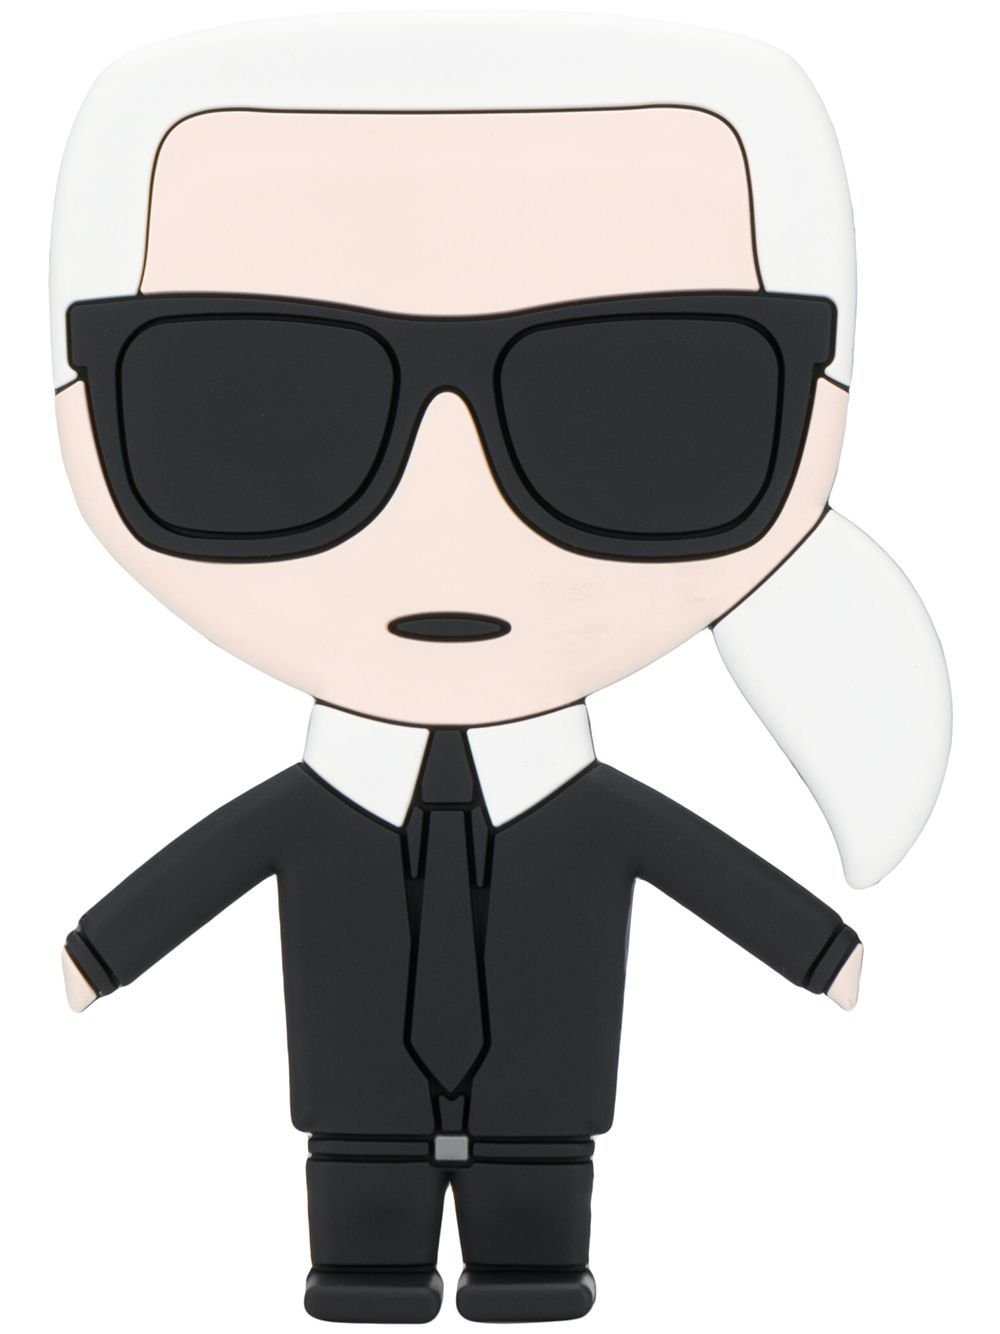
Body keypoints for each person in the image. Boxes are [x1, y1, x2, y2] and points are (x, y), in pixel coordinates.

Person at [52, 13, 949, 1324]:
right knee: (361, 1188)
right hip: (354, 1113)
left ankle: (530, 1271)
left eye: (640, 403)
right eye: (256, 400)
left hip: (547, 1111)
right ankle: (368, 1270)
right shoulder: (340, 810)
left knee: (537, 1189)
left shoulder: (576, 812)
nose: (449, 498)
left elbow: (707, 870)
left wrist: (818, 952)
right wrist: (102, 951)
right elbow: (206, 868)